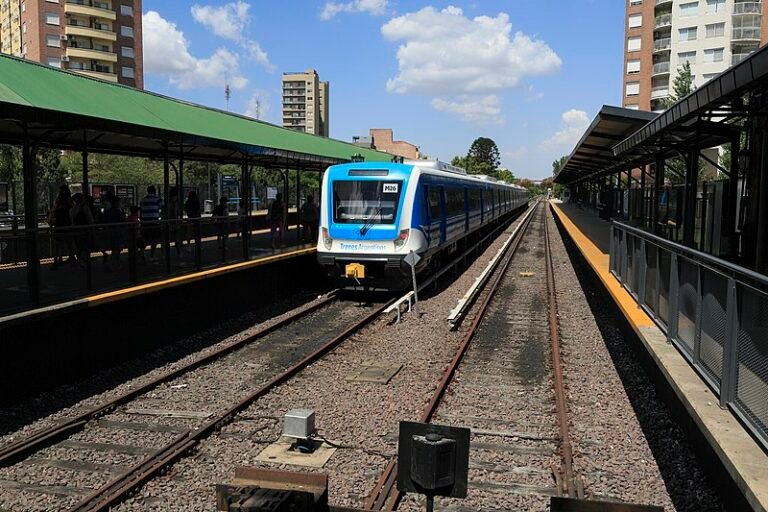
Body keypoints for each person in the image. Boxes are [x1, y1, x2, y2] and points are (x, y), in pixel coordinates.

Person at [49, 185, 75, 270]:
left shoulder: (57, 204)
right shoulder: (69, 203)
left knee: (58, 245)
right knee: (68, 244)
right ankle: (72, 261)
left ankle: (56, 261)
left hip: (59, 226)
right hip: (66, 225)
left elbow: (53, 213)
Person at [70, 192, 94, 267]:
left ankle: (80, 259)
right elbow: (90, 218)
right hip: (84, 229)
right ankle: (83, 260)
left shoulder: (71, 209)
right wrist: (92, 228)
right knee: (85, 245)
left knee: (78, 245)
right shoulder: (85, 208)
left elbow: (72, 220)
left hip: (75, 229)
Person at [102, 192, 125, 271]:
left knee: (115, 249)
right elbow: (122, 221)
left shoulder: (108, 211)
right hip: (117, 232)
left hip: (111, 231)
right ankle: (113, 264)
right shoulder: (118, 211)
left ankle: (116, 264)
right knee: (116, 250)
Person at [139, 185, 163, 261]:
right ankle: (152, 255)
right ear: (154, 191)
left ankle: (142, 252)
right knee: (154, 239)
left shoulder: (143, 200)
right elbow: (163, 206)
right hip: (154, 222)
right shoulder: (157, 199)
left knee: (145, 239)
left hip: (144, 222)